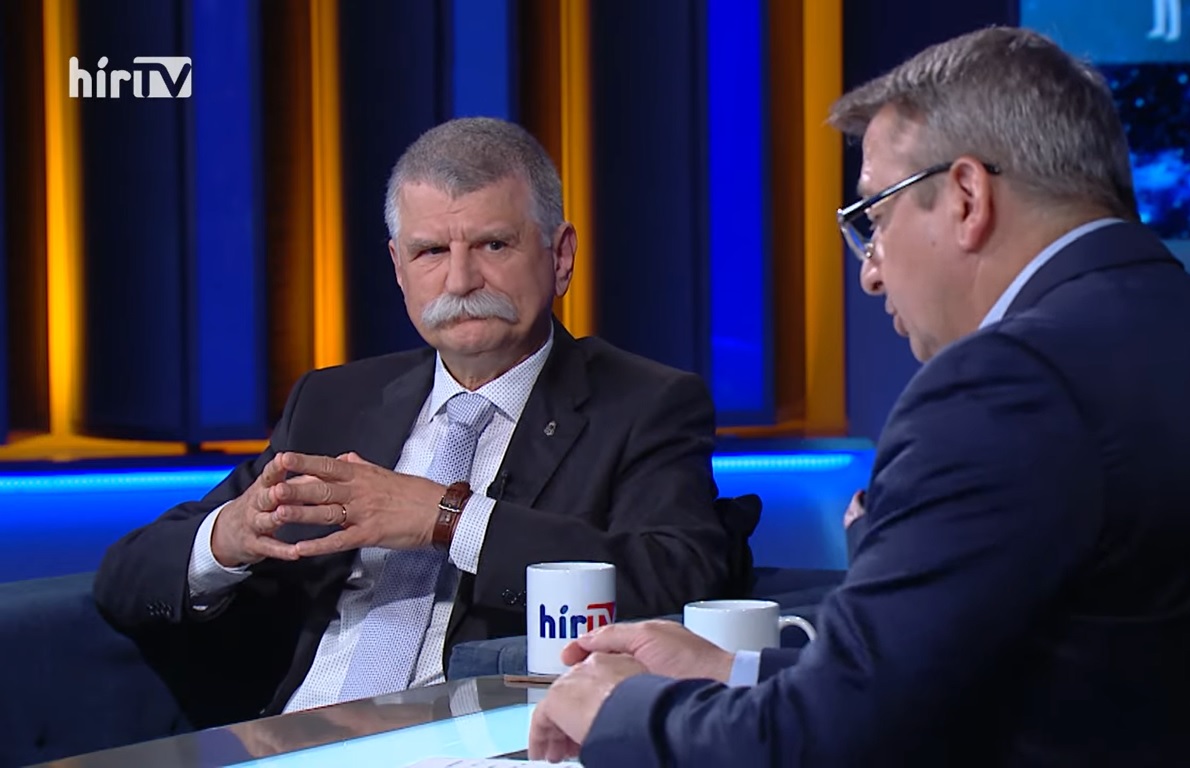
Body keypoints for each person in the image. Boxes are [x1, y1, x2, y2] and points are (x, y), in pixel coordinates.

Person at [526, 27, 1190, 766]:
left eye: (873, 218)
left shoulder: (1004, 387)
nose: (871, 272)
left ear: (967, 197)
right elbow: (1045, 672)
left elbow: (822, 745)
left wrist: (620, 712)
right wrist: (735, 669)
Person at [93, 117, 735, 719]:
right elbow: (123, 576)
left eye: (493, 244)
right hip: (292, 737)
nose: (460, 280)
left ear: (559, 255)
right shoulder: (333, 401)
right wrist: (227, 537)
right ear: (398, 268)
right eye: (430, 252)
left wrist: (448, 518)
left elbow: (677, 579)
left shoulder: (644, 404)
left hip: (474, 737)